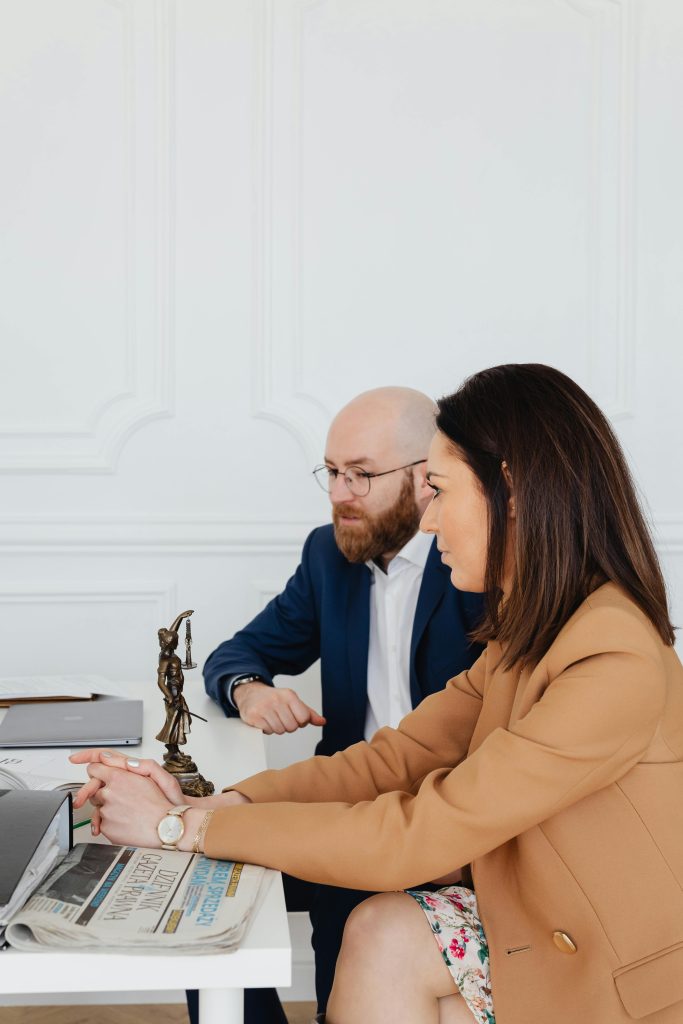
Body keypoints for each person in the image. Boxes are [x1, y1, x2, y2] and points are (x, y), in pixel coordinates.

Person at [72, 363, 683, 1024]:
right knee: (378, 931)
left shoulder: (608, 657)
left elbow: (425, 833)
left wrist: (181, 827)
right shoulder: (531, 630)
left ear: (507, 491)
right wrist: (223, 802)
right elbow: (396, 759)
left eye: (441, 492)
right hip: (530, 903)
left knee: (378, 933)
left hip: (605, 959)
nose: (429, 522)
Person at [202, 386, 485, 1020]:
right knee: (204, 896)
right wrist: (250, 691)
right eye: (331, 472)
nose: (338, 494)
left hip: (443, 825)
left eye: (361, 474)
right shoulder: (329, 556)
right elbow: (234, 654)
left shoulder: (475, 564)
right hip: (348, 800)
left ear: (426, 479)